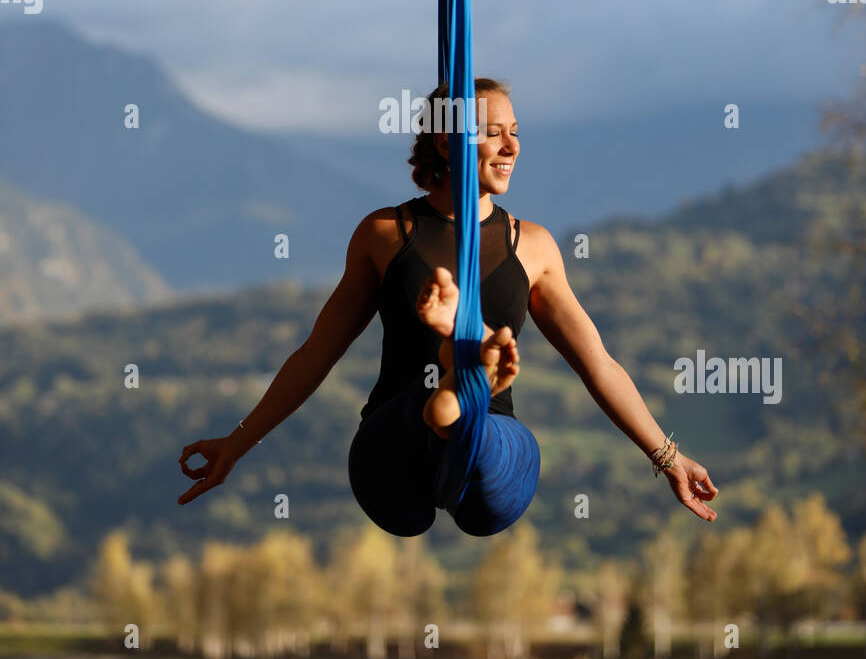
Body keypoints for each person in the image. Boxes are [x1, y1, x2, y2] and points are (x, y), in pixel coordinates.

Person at [178, 78, 718, 536]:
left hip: (489, 452)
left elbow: (597, 363)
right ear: (446, 141)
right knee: (430, 429)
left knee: (484, 447)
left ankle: (461, 393)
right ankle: (454, 390)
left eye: (516, 133)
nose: (512, 147)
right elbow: (317, 353)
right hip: (395, 449)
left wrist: (668, 457)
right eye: (493, 133)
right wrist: (238, 442)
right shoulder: (386, 234)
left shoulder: (533, 246)